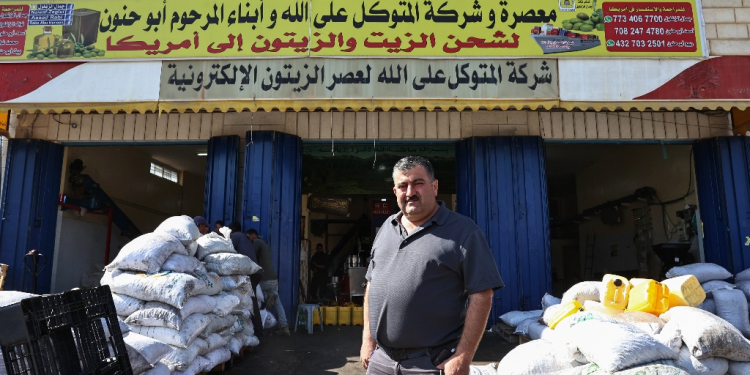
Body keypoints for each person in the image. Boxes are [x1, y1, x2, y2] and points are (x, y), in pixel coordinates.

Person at [360, 156, 504, 375]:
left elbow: (482, 294)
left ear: (434, 187)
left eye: (418, 183)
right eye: (403, 186)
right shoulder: (386, 229)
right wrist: (367, 341)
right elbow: (371, 286)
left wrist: (463, 356)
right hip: (381, 361)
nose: (410, 192)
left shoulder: (463, 231)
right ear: (395, 192)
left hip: (430, 363)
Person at [246, 229, 289, 336]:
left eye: (248, 238)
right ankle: (284, 326)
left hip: (264, 279)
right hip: (273, 278)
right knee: (277, 301)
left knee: (256, 297)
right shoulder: (264, 243)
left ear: (252, 236)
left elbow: (251, 258)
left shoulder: (256, 243)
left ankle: (258, 326)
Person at [227, 222, 264, 339]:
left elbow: (227, 249)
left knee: (252, 304)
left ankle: (258, 332)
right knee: (246, 301)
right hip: (255, 273)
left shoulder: (236, 237)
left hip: (251, 274)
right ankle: (250, 330)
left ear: (231, 232)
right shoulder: (244, 238)